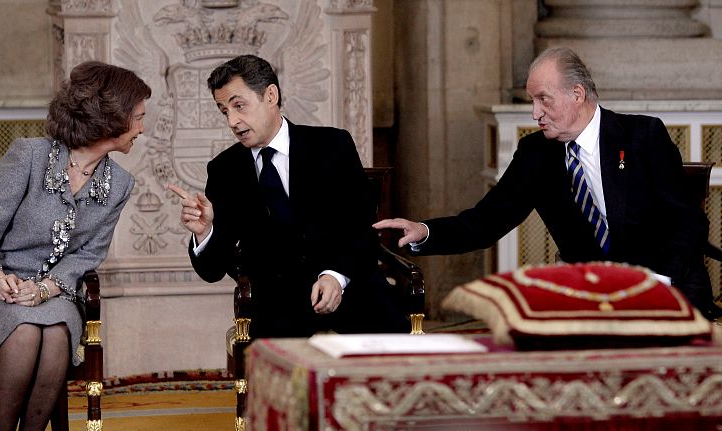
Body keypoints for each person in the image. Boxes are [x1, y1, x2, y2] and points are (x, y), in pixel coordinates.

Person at [374, 46, 721, 320]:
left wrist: (654, 284)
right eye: (532, 101)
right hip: (593, 299)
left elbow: (688, 223)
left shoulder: (642, 137)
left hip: (666, 287)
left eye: (544, 99)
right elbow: (486, 222)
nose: (535, 113)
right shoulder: (536, 155)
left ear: (577, 94)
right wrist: (424, 231)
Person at [0, 61, 148, 430]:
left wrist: (44, 289)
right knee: (24, 330)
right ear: (112, 118)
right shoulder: (29, 155)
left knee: (57, 332)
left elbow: (87, 255)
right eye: (138, 117)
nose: (142, 128)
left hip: (56, 292)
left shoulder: (120, 183)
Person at [169, 54, 405, 338]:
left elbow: (360, 228)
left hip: (349, 285)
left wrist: (335, 277)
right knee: (276, 364)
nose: (232, 121)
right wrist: (205, 232)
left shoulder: (332, 146)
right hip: (277, 307)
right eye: (224, 111)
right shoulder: (224, 170)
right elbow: (212, 270)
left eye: (239, 106)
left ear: (270, 95)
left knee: (395, 356)